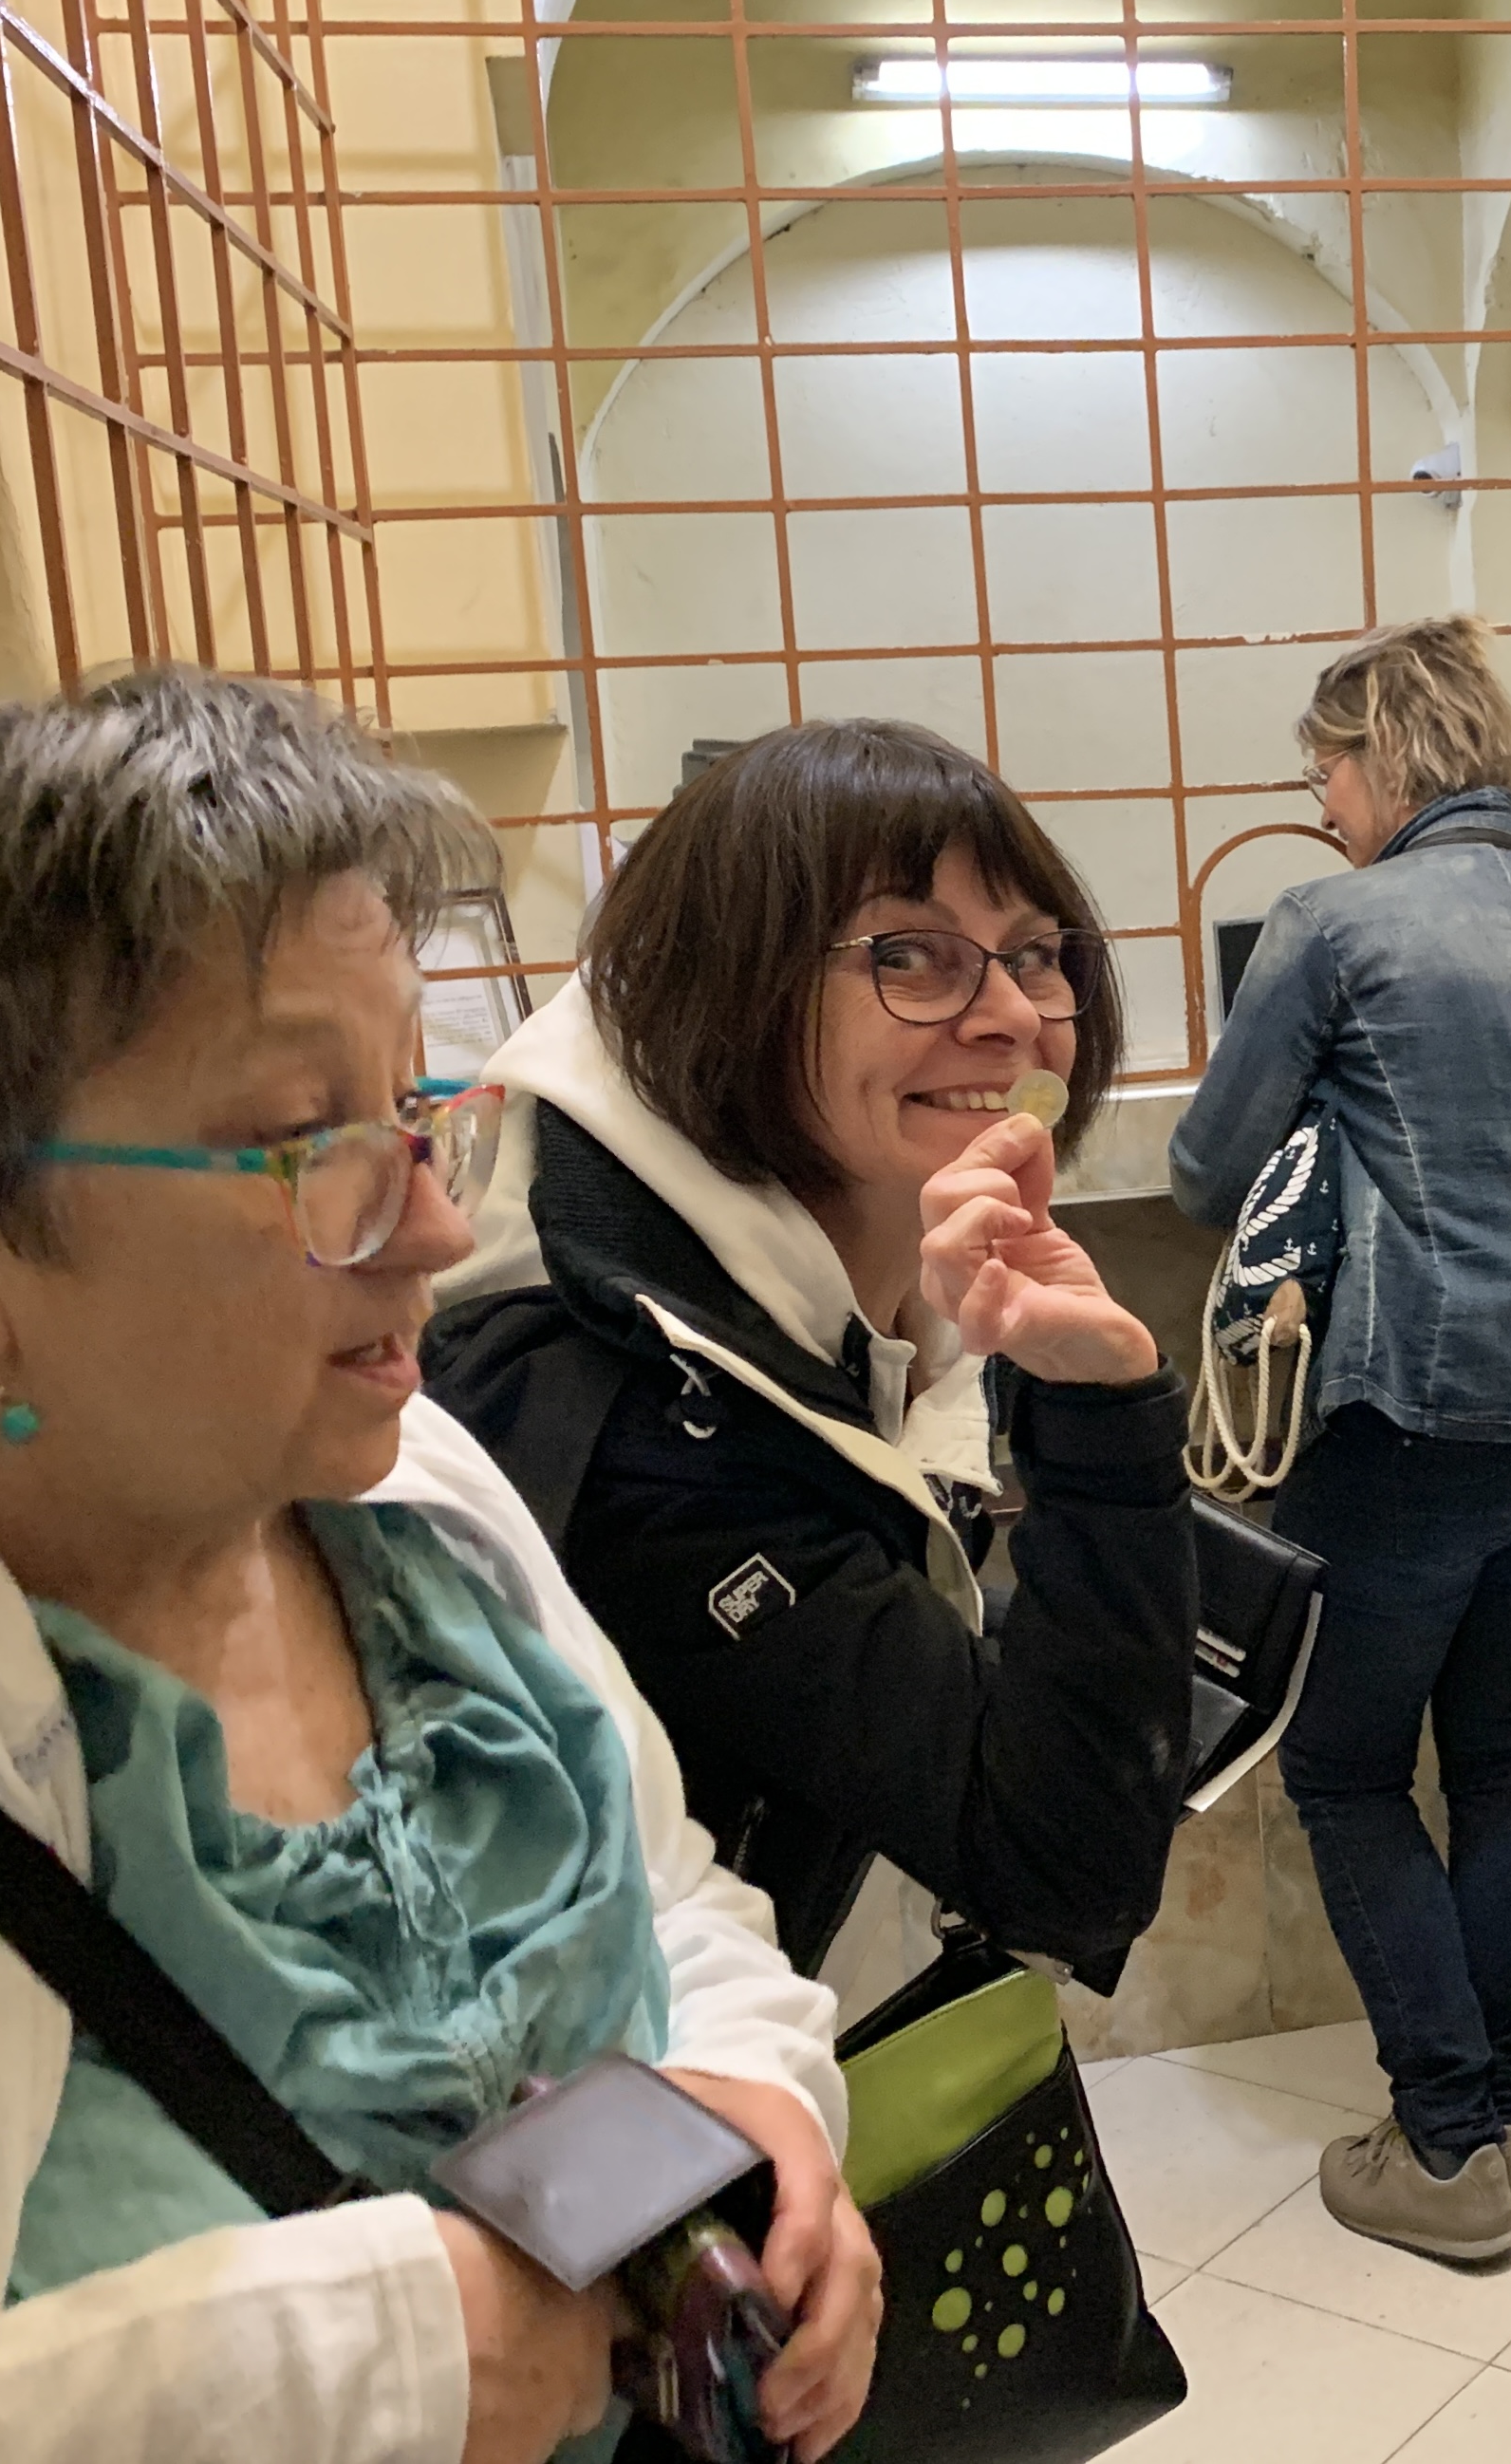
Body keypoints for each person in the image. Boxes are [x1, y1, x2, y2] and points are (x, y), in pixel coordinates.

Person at [0, 667, 878, 2462]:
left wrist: (753, 2095)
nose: (434, 1223)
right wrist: (377, 2354)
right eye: (310, 1145)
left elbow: (670, 1903)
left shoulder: (408, 1486)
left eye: (414, 1113)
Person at [422, 720, 1195, 2020]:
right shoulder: (639, 1410)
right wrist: (1102, 1418)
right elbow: (1066, 1868)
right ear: (729, 991)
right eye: (908, 955)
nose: (1013, 1014)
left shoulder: (808, 1321)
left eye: (1031, 954)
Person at [1167, 616, 1511, 2263]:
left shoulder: (1332, 924)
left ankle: (1448, 2148)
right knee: (1507, 1746)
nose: (1319, 805)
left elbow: (1206, 1169)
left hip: (1419, 1403)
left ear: (1382, 756)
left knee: (1345, 1762)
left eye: (1324, 768)